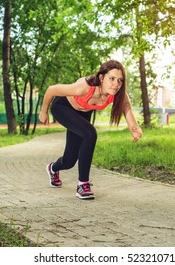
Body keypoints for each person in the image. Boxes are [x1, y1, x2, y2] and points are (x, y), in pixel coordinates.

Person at [39, 60, 143, 200]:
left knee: (69, 161)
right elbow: (52, 90)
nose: (116, 84)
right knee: (90, 133)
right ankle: (83, 185)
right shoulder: (84, 87)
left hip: (81, 115)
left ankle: (53, 168)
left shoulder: (117, 93)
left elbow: (126, 107)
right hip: (62, 107)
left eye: (120, 80)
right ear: (101, 78)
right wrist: (44, 111)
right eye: (111, 79)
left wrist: (134, 128)